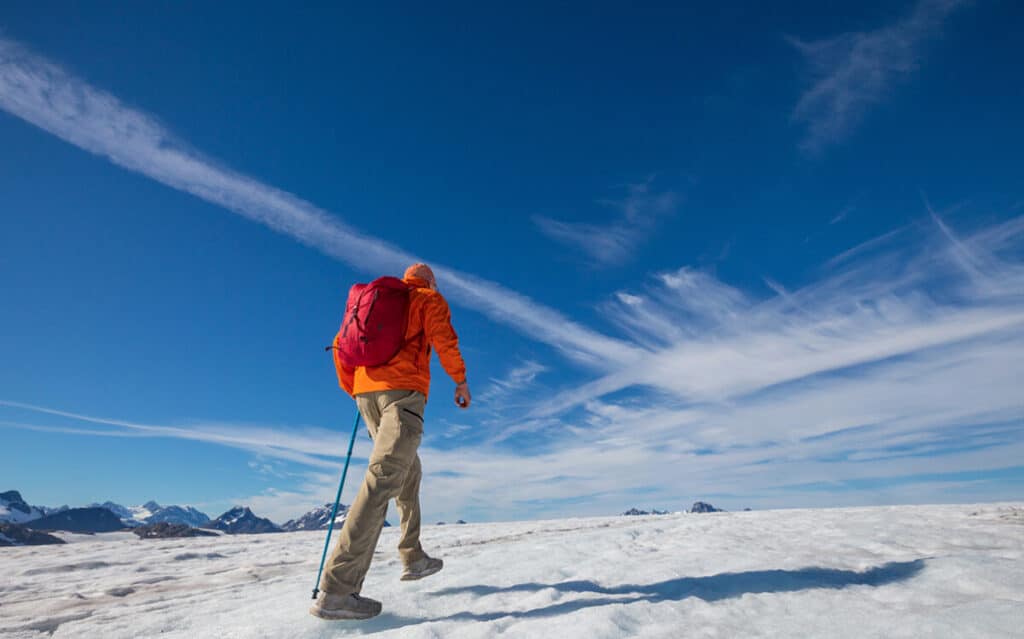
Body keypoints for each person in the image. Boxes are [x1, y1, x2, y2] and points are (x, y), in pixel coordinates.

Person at [310, 263, 471, 621]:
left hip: (368, 396)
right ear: (429, 281)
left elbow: (340, 345)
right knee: (383, 479)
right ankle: (337, 589)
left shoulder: (375, 304)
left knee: (408, 471)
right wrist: (460, 381)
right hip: (403, 396)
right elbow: (445, 340)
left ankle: (412, 555)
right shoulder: (428, 299)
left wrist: (355, 390)